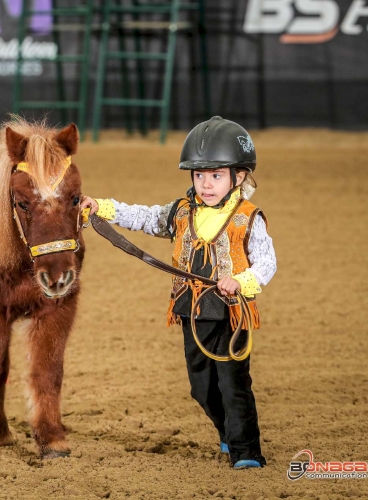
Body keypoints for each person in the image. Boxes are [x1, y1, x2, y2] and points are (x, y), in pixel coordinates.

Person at [82, 116, 276, 469]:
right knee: (200, 387)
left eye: (216, 175)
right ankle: (227, 432)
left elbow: (267, 262)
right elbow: (144, 217)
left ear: (240, 176)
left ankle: (247, 451)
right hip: (192, 312)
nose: (206, 184)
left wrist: (242, 281)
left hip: (231, 315)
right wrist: (104, 208)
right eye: (199, 175)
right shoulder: (181, 212)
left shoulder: (248, 217)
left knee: (234, 385)